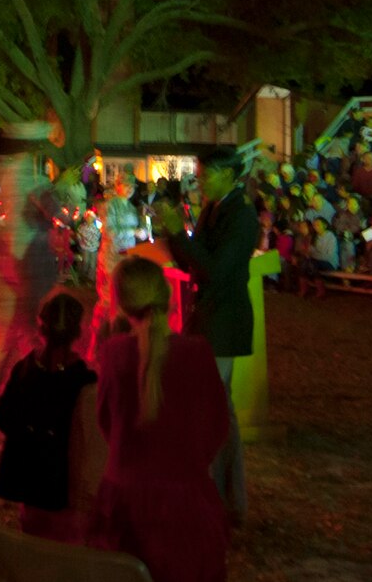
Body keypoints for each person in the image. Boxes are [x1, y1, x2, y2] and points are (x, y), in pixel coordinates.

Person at [91, 256, 230, 582]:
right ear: (167, 297)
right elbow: (217, 425)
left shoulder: (114, 354)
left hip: (126, 502)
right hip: (187, 502)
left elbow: (106, 422)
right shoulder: (197, 353)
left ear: (122, 305)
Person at [156, 146, 257, 524]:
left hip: (224, 317)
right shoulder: (213, 210)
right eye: (199, 173)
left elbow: (215, 268)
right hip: (207, 314)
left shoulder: (241, 217)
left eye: (207, 174)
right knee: (218, 406)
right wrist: (174, 233)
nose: (200, 181)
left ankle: (221, 495)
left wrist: (178, 233)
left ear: (229, 175)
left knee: (215, 406)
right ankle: (226, 495)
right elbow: (191, 261)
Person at [0, 289, 100, 542]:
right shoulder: (84, 380)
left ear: (41, 327)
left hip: (28, 479)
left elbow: (4, 417)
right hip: (62, 482)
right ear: (79, 331)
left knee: (33, 537)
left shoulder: (25, 369)